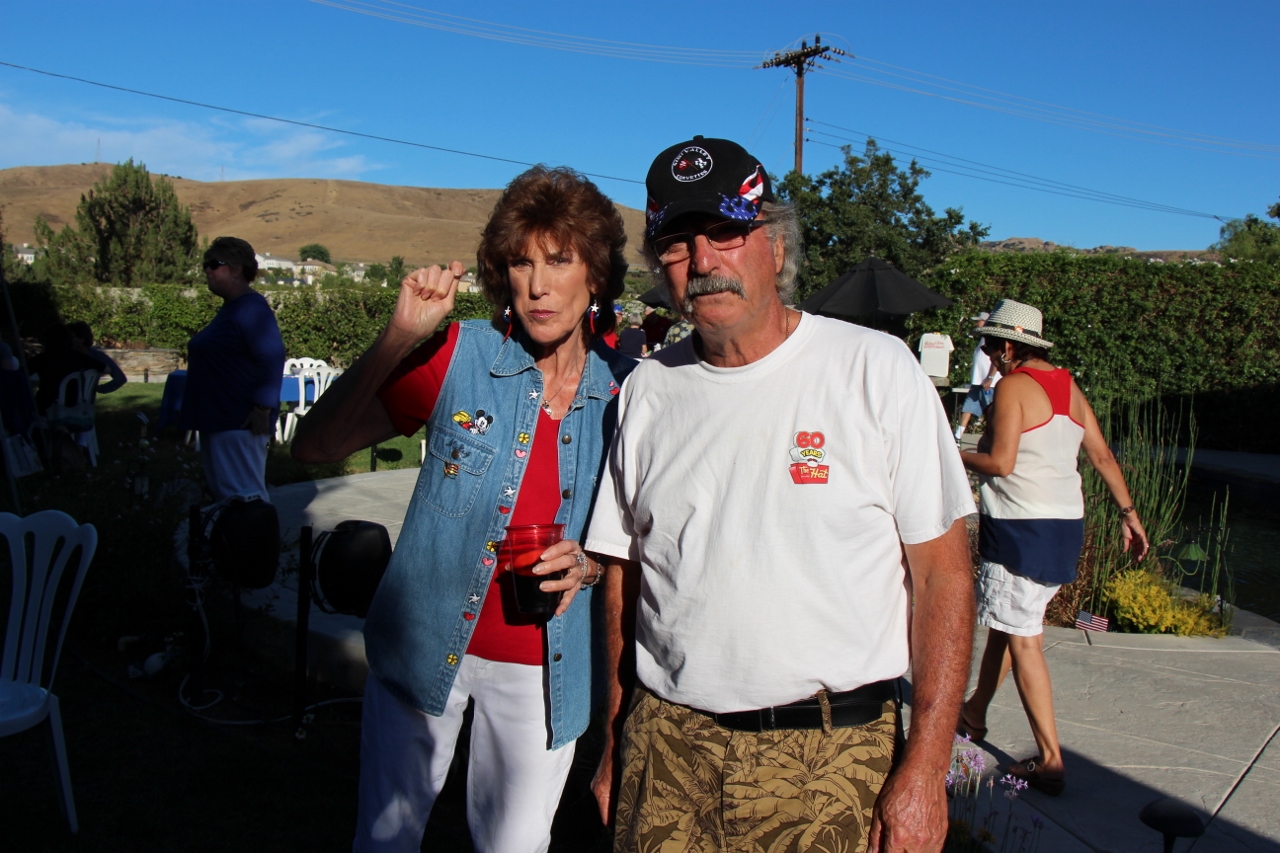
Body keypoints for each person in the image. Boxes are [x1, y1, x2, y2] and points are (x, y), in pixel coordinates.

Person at [585, 136, 976, 853]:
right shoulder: (645, 391)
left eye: (726, 232)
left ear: (772, 242)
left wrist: (925, 764)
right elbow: (621, 578)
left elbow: (944, 574)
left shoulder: (874, 371)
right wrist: (613, 741)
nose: (703, 262)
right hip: (667, 751)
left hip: (830, 758)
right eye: (677, 243)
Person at [291, 165, 636, 853]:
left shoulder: (624, 401)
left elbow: (629, 541)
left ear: (595, 275)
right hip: (421, 646)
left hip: (545, 669)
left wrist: (590, 569)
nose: (537, 285)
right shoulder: (459, 357)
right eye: (520, 261)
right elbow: (316, 444)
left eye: (559, 260)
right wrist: (397, 334)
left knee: (514, 845)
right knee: (385, 838)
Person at [958, 299, 1149, 797]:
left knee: (1025, 640)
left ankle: (1050, 761)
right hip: (1065, 525)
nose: (986, 353)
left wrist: (950, 452)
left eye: (986, 344)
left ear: (1005, 345)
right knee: (1012, 623)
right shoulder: (1068, 387)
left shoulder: (1013, 388)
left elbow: (999, 463)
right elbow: (1102, 455)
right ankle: (974, 714)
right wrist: (1130, 516)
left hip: (1022, 528)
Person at [179, 236, 286, 501]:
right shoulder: (232, 309)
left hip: (238, 423)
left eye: (215, 264)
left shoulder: (251, 309)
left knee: (246, 500)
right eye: (206, 264)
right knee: (230, 502)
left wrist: (262, 408)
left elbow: (272, 357)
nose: (207, 270)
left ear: (237, 269)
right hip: (220, 420)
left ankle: (258, 543)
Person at [954, 312, 1000, 441]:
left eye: (979, 321)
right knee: (968, 408)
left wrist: (990, 378)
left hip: (988, 384)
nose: (976, 323)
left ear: (986, 322)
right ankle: (957, 437)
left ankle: (995, 438)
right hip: (978, 382)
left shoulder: (991, 339)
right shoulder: (982, 338)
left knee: (991, 412)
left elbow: (995, 361)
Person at [68, 321, 127, 394]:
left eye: (71, 337)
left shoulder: (96, 356)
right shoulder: (97, 355)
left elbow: (120, 378)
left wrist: (100, 388)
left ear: (82, 339)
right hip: (86, 402)